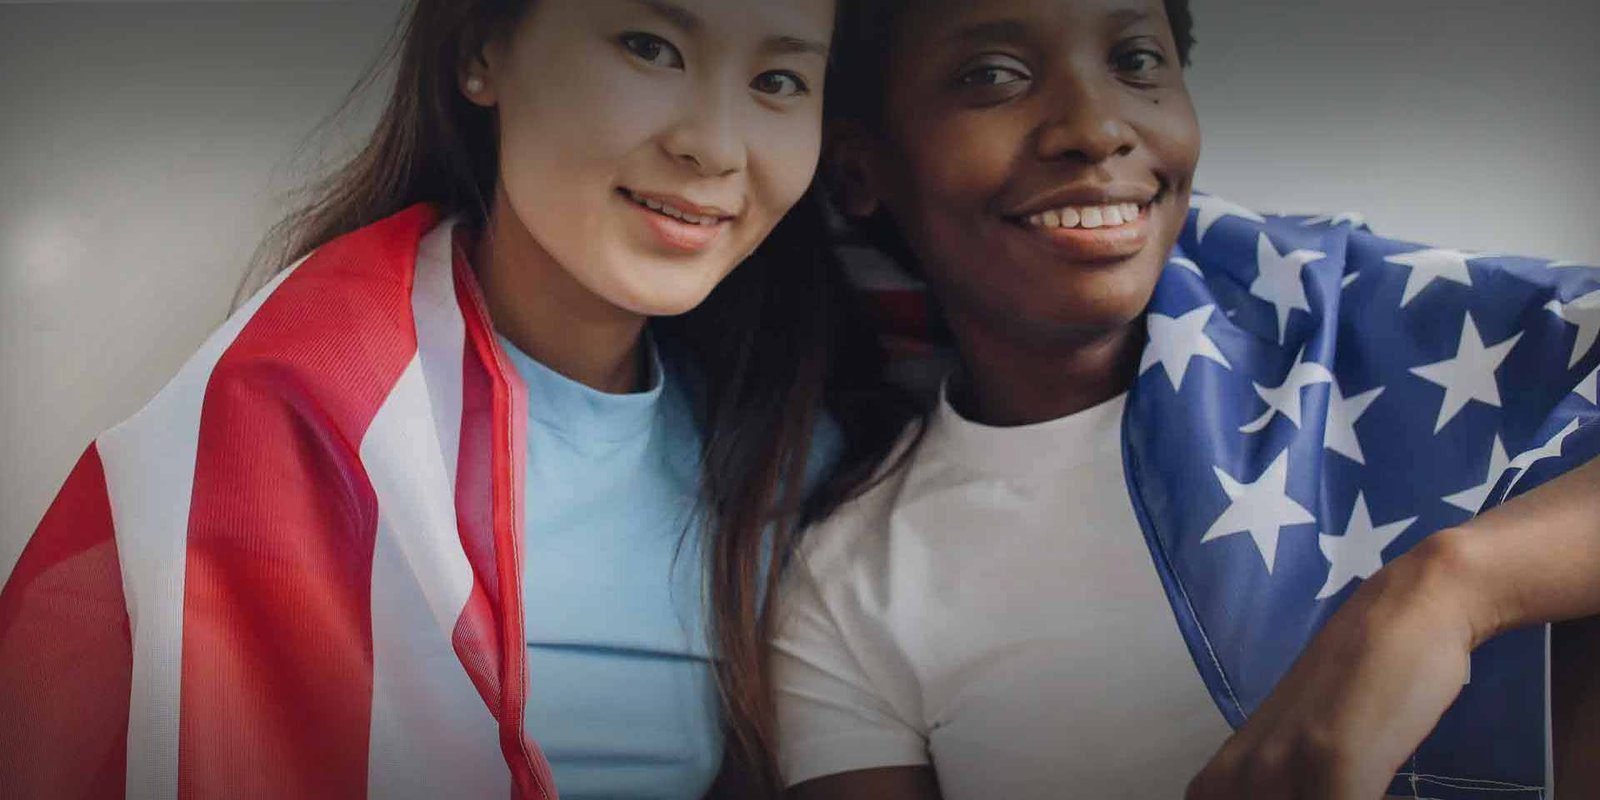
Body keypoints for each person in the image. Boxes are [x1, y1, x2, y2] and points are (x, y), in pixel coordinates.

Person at [0, 0, 912, 797]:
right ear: (482, 50)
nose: (713, 144)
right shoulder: (302, 418)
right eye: (649, 45)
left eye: (782, 80)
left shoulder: (799, 465)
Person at [771, 0, 1600, 798]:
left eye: (1136, 61)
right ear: (857, 172)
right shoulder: (848, 584)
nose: (1096, 129)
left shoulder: (1375, 320)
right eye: (994, 75)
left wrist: (1449, 590)